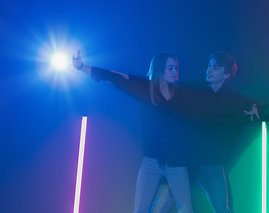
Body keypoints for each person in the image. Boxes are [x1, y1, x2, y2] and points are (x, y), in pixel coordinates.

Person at [150, 51, 269, 213]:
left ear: (226, 74)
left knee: (223, 209)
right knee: (158, 207)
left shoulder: (236, 102)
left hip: (212, 168)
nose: (209, 70)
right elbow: (165, 90)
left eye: (215, 67)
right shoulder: (191, 89)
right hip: (184, 164)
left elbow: (264, 112)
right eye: (209, 66)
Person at [72, 50, 196, 213]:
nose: (175, 72)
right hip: (151, 162)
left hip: (177, 164)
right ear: (159, 69)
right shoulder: (144, 88)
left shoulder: (181, 94)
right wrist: (82, 67)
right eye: (170, 68)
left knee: (186, 209)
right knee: (140, 210)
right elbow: (113, 76)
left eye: (176, 68)